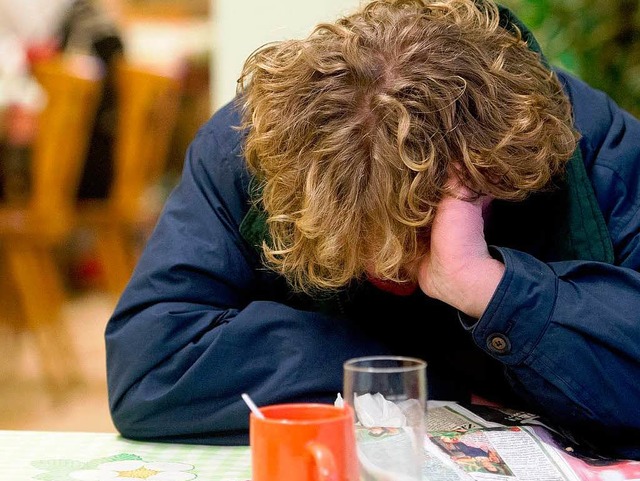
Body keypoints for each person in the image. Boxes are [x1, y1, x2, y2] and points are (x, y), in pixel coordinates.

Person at [104, 0, 640, 458]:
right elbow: (152, 365)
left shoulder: (597, 154)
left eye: (416, 233)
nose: (387, 267)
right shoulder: (255, 147)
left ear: (493, 179)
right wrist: (415, 377)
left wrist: (486, 286)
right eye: (360, 241)